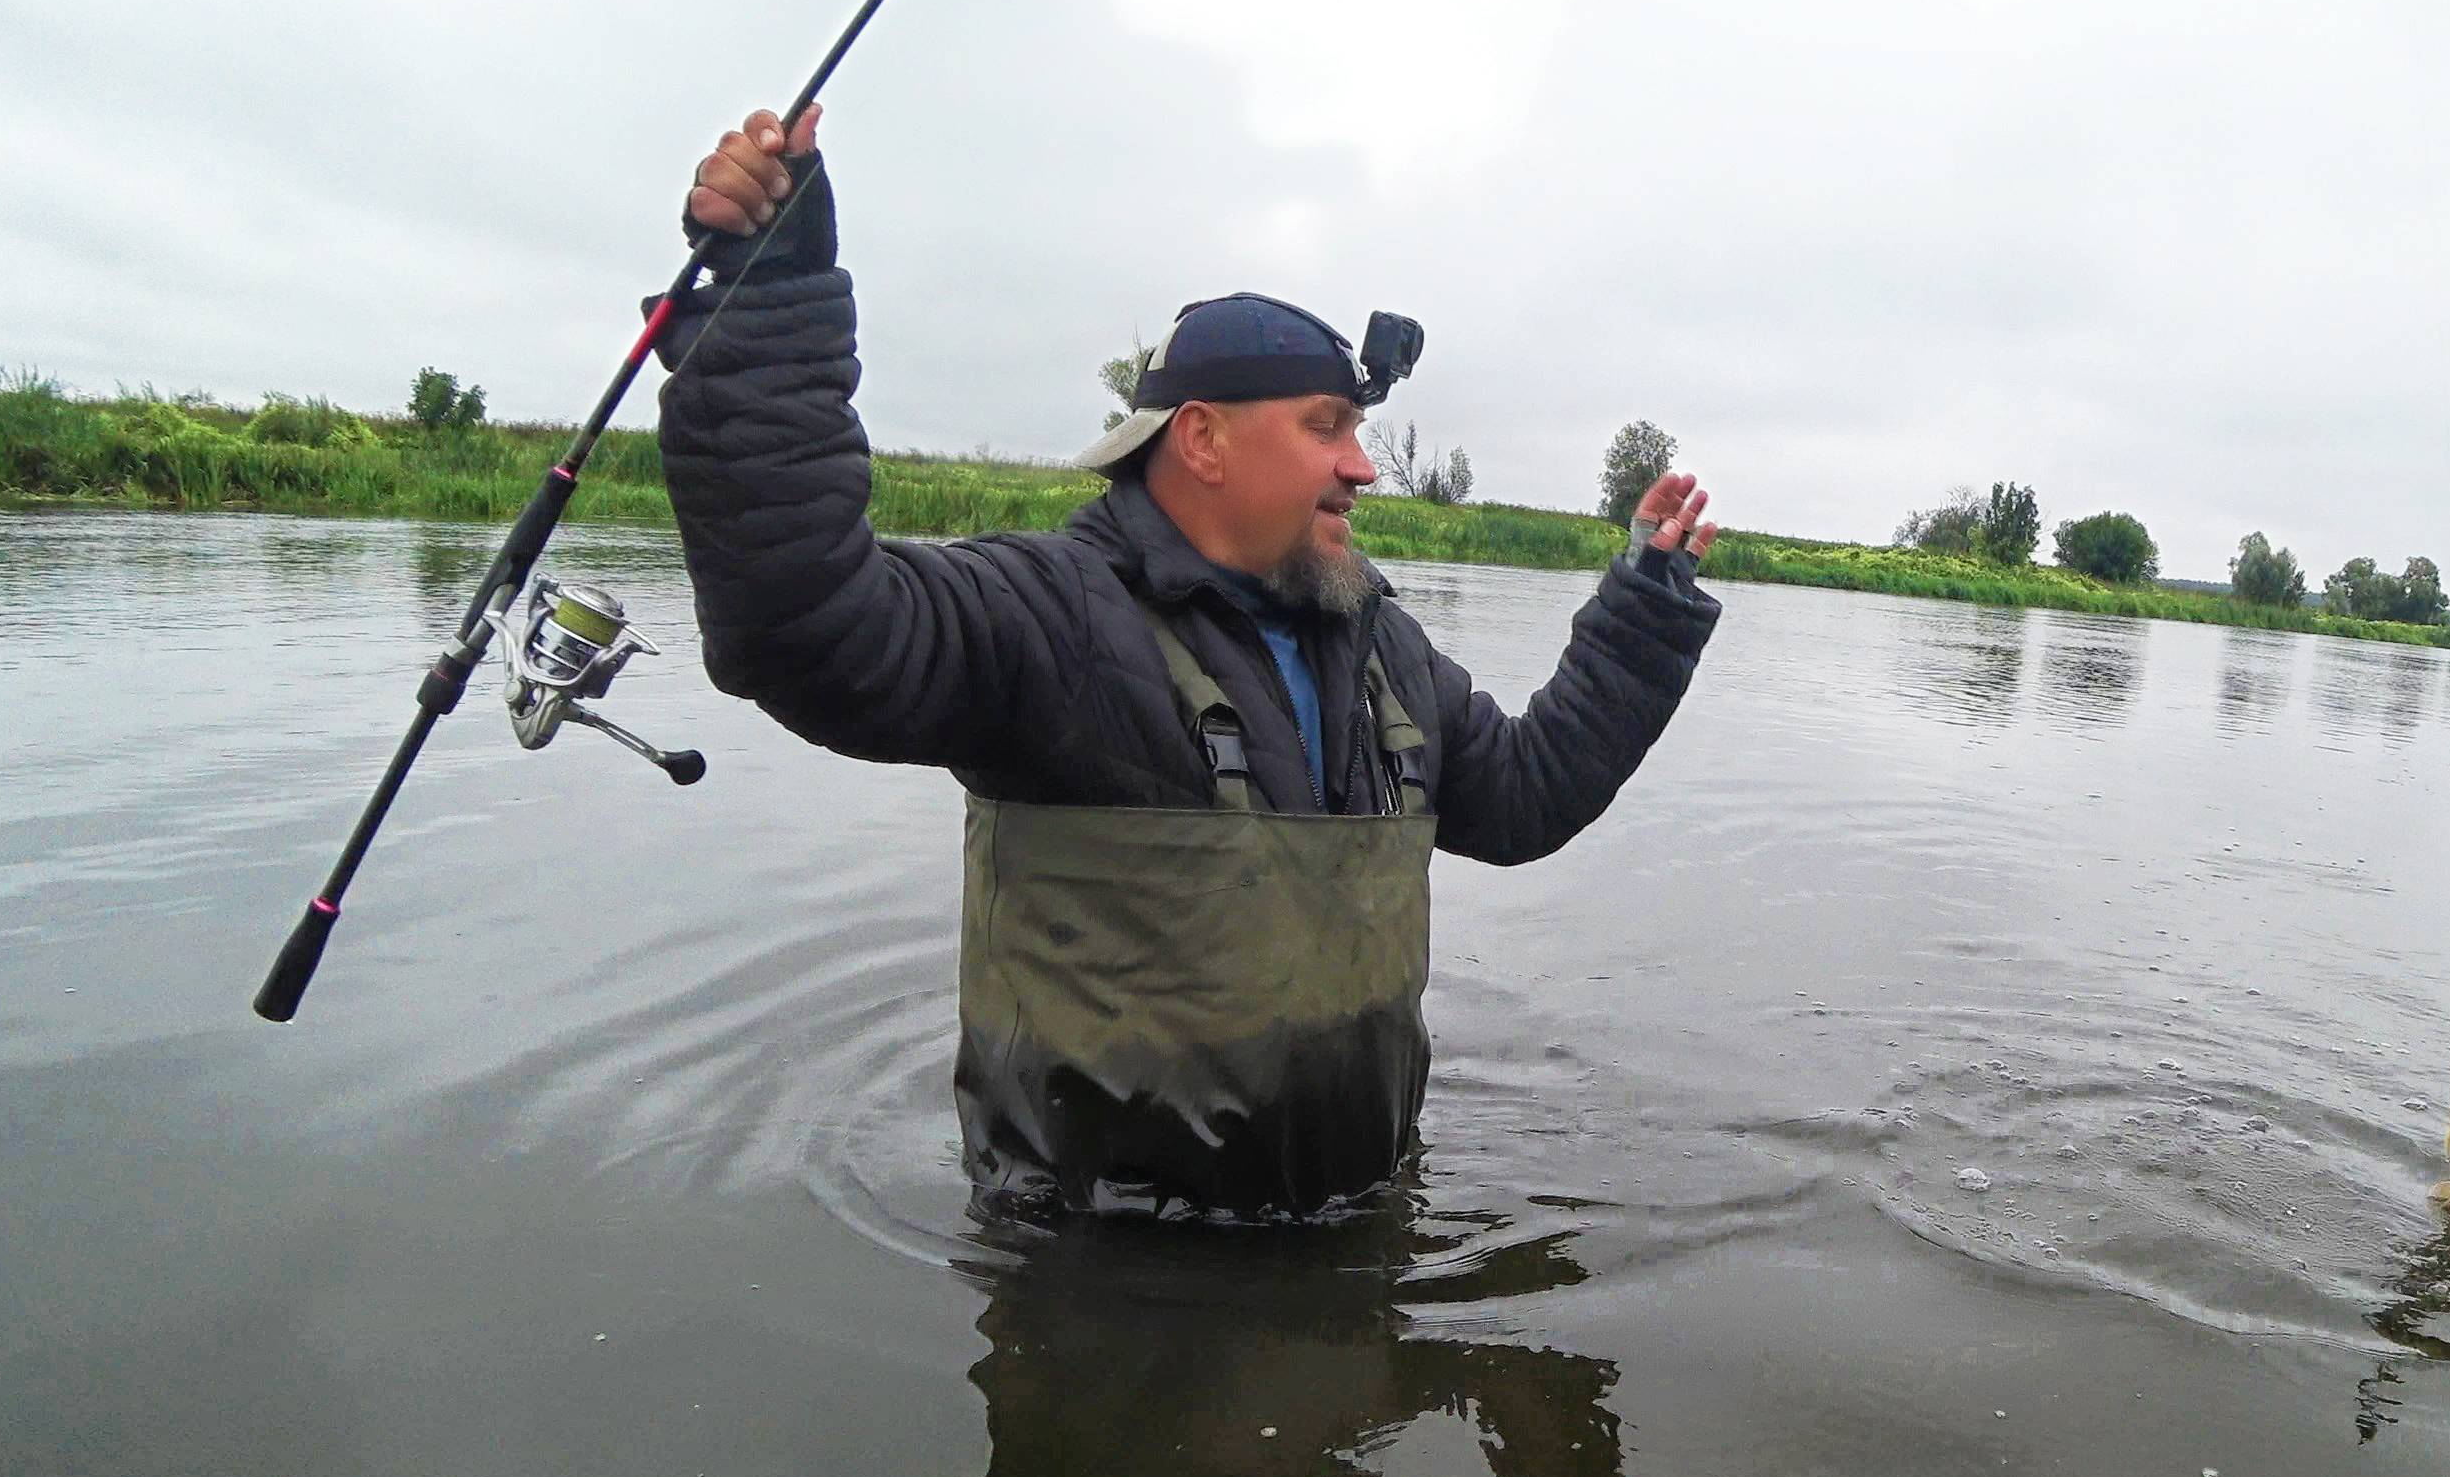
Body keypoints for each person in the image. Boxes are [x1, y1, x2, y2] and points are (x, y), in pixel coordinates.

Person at [656, 108, 1726, 1221]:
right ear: (1204, 440)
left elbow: (1523, 799)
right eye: (1326, 426)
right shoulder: (1048, 617)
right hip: (1106, 1288)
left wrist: (1642, 612)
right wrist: (768, 307)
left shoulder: (1378, 646)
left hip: (1353, 1232)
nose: (1362, 467)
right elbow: (805, 626)